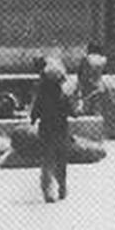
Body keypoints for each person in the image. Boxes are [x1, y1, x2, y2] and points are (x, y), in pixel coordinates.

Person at [31, 57, 73, 203]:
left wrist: (32, 119)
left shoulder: (42, 94)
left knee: (47, 161)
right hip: (61, 130)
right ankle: (62, 186)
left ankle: (48, 191)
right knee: (61, 161)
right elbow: (71, 111)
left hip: (46, 130)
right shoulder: (63, 95)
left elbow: (35, 111)